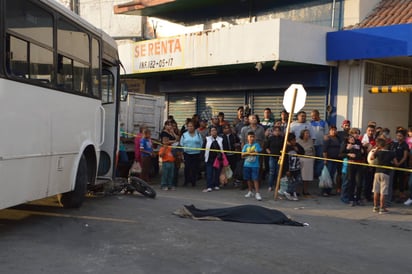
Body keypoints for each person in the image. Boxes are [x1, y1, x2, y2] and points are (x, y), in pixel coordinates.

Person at [369, 138, 398, 214]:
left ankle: (375, 207)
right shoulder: (392, 153)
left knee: (376, 190)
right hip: (386, 173)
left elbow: (371, 158)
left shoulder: (378, 152)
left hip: (377, 172)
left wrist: (376, 149)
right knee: (383, 192)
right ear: (386, 145)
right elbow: (396, 163)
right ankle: (382, 208)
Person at [339, 128, 365, 206]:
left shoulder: (359, 142)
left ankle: (358, 198)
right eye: (355, 133)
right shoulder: (346, 142)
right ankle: (350, 199)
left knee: (359, 182)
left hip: (359, 164)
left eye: (358, 133)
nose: (357, 135)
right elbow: (340, 154)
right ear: (351, 134)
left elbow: (362, 153)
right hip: (351, 164)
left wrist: (363, 151)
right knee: (351, 182)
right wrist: (348, 153)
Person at [180, 120, 203, 187]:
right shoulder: (184, 135)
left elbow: (201, 144)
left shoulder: (198, 134)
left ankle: (193, 181)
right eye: (189, 126)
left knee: (194, 168)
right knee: (187, 167)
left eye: (191, 126)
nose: (190, 127)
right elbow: (181, 144)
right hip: (187, 153)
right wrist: (182, 153)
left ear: (194, 127)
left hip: (196, 154)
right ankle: (186, 181)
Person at [282, 133, 304, 201]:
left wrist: (297, 150)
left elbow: (303, 152)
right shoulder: (286, 148)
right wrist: (286, 170)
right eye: (292, 140)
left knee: (299, 180)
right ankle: (289, 191)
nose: (294, 142)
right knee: (291, 181)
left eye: (295, 140)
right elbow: (285, 160)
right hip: (290, 168)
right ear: (289, 141)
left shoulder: (297, 145)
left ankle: (291, 191)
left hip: (297, 167)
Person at [242, 131, 263, 201]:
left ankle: (257, 193)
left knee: (255, 179)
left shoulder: (257, 145)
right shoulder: (245, 146)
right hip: (247, 164)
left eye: (253, 137)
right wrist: (250, 153)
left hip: (255, 165)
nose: (252, 138)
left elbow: (257, 152)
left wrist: (248, 153)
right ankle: (250, 191)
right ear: (247, 138)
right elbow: (242, 155)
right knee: (248, 179)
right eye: (250, 137)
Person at [203, 126, 224, 192]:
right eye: (212, 130)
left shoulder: (220, 139)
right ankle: (209, 186)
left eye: (215, 130)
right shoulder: (207, 139)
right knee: (209, 173)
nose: (214, 132)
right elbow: (203, 148)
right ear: (210, 132)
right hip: (209, 158)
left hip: (218, 159)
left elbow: (222, 148)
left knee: (217, 173)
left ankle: (216, 185)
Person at [390, 128, 409, 202]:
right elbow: (392, 153)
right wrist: (394, 162)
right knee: (394, 180)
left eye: (400, 136)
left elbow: (405, 157)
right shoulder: (394, 144)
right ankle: (393, 194)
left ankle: (401, 194)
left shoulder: (405, 145)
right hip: (394, 165)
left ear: (404, 137)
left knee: (401, 180)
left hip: (401, 166)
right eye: (397, 136)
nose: (398, 137)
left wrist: (399, 163)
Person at [322, 125, 341, 196]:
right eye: (332, 130)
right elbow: (324, 150)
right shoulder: (327, 139)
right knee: (327, 175)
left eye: (335, 130)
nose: (333, 131)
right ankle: (324, 191)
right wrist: (325, 159)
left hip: (336, 159)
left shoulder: (338, 138)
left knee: (332, 175)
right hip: (329, 159)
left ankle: (329, 190)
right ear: (329, 131)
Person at [360, 124, 376, 202]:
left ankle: (367, 196)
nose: (370, 132)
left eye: (372, 131)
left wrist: (371, 146)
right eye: (369, 130)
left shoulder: (374, 140)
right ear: (366, 131)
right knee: (361, 180)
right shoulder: (361, 138)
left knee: (369, 181)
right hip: (362, 162)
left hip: (371, 164)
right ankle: (361, 195)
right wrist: (363, 146)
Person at [310, 109, 329, 178]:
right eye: (311, 116)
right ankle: (312, 175)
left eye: (314, 116)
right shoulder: (310, 123)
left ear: (318, 115)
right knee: (312, 160)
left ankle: (317, 175)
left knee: (320, 160)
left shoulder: (324, 123)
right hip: (312, 145)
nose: (313, 117)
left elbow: (326, 134)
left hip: (321, 145)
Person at [265, 126, 283, 192]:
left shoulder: (282, 138)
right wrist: (270, 153)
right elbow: (266, 147)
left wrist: (281, 154)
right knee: (272, 172)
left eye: (278, 130)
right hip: (272, 157)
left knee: (278, 172)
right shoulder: (270, 138)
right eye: (276, 130)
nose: (277, 132)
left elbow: (284, 148)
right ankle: (270, 185)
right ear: (273, 131)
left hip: (279, 157)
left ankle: (277, 185)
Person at [297, 129, 315, 196]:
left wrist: (313, 158)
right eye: (306, 133)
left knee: (307, 177)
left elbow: (313, 150)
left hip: (309, 159)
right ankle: (298, 191)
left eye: (308, 133)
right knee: (299, 176)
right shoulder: (298, 141)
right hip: (301, 159)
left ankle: (305, 190)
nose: (307, 135)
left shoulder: (310, 141)